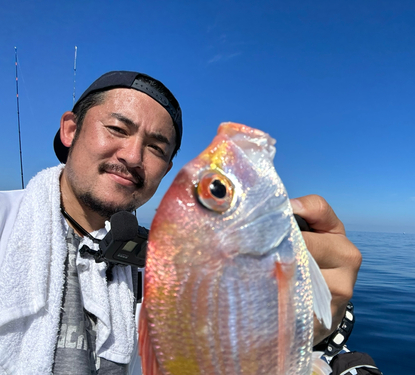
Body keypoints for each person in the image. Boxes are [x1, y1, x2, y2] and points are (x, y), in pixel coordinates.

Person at [0, 71, 362, 374]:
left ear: (167, 170)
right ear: (70, 130)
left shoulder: (164, 270)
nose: (132, 156)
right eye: (116, 128)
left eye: (157, 148)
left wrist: (298, 326)